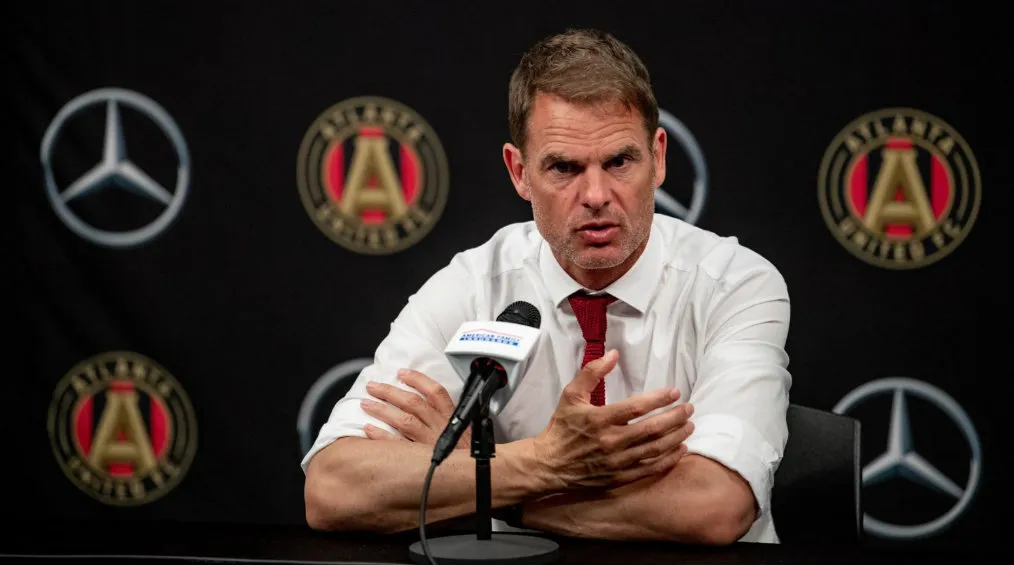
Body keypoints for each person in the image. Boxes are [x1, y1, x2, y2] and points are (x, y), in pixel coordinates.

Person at [301, 28, 791, 545]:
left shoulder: (735, 284)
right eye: (563, 167)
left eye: (620, 161)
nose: (597, 195)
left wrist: (487, 481)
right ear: (519, 172)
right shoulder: (474, 286)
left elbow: (713, 508)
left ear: (660, 157)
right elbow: (333, 490)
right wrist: (545, 460)